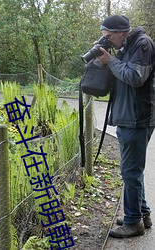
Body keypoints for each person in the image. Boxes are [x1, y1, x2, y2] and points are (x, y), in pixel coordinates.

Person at [97, 15, 155, 238]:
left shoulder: (143, 44)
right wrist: (107, 60)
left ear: (121, 32)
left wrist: (110, 61)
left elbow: (134, 77)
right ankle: (142, 214)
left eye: (109, 37)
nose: (108, 41)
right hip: (127, 117)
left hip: (137, 118)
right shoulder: (126, 46)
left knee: (130, 171)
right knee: (132, 171)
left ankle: (133, 223)